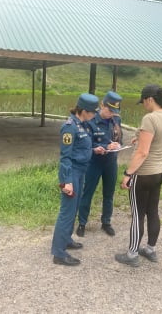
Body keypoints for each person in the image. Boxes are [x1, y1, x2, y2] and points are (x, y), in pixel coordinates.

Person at [115, 84, 162, 267]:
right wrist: (141, 139)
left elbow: (142, 153)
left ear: (150, 99)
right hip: (159, 172)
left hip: (143, 175)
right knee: (153, 211)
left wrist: (128, 174)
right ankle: (150, 249)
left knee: (138, 214)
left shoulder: (150, 118)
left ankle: (132, 254)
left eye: (143, 102)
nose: (143, 106)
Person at [51, 93, 99, 266]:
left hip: (81, 172)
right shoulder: (69, 127)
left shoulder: (84, 125)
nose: (95, 115)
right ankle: (58, 253)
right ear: (84, 111)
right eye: (93, 112)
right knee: (67, 212)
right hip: (72, 173)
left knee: (74, 208)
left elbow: (82, 148)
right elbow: (65, 157)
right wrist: (67, 181)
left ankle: (66, 240)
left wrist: (96, 149)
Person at [76, 91, 123, 237]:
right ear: (102, 105)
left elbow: (120, 139)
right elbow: (84, 144)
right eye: (109, 110)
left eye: (114, 111)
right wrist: (97, 148)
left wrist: (117, 145)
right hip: (94, 163)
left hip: (110, 162)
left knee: (109, 194)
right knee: (87, 193)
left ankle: (106, 222)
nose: (111, 114)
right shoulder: (90, 120)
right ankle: (82, 223)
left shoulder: (116, 120)